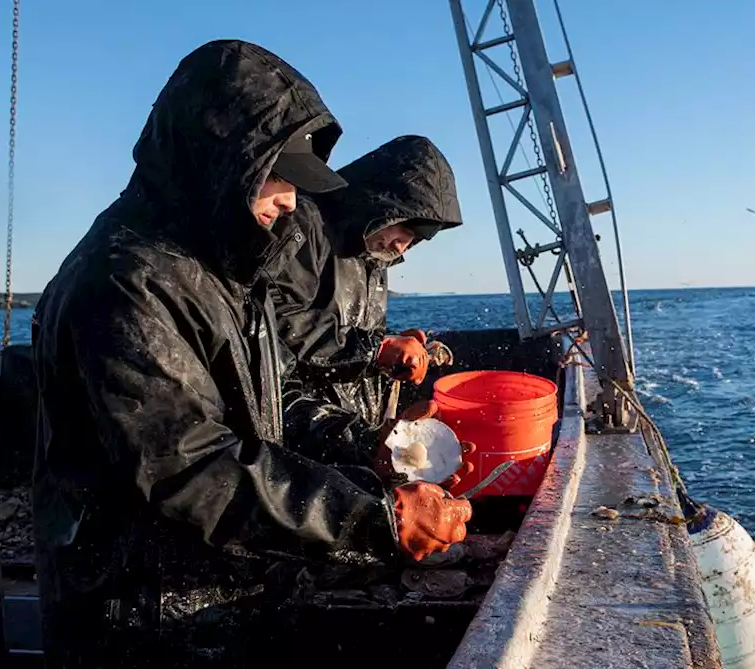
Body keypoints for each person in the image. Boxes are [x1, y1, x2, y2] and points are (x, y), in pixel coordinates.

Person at [29, 40, 471, 667]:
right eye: (279, 176)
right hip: (140, 623)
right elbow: (187, 465)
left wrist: (363, 447)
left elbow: (273, 399)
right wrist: (373, 517)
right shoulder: (125, 282)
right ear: (216, 162)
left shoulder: (221, 272)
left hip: (220, 598)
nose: (293, 201)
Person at [270, 136, 469, 483]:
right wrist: (376, 349)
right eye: (404, 226)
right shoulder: (303, 224)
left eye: (417, 237)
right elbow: (273, 319)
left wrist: (390, 346)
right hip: (297, 444)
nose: (403, 244)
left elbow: (349, 332)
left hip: (348, 440)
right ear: (381, 202)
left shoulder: (374, 255)